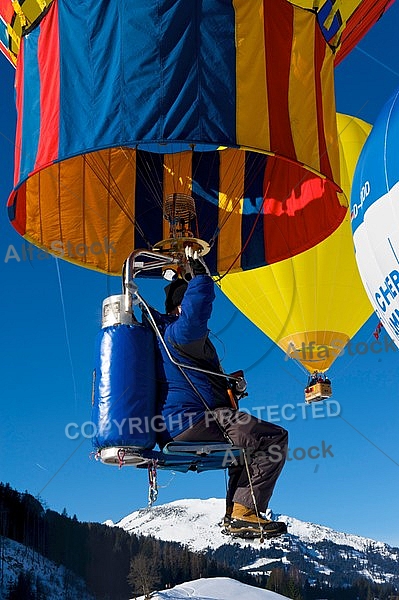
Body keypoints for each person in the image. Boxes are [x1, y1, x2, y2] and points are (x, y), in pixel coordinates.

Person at [152, 247, 288, 538]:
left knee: (247, 447)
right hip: (192, 421)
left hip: (181, 422)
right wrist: (201, 277)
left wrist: (229, 386)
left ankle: (237, 514)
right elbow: (194, 316)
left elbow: (191, 381)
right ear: (180, 307)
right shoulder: (179, 332)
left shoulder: (172, 343)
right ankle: (244, 511)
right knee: (273, 438)